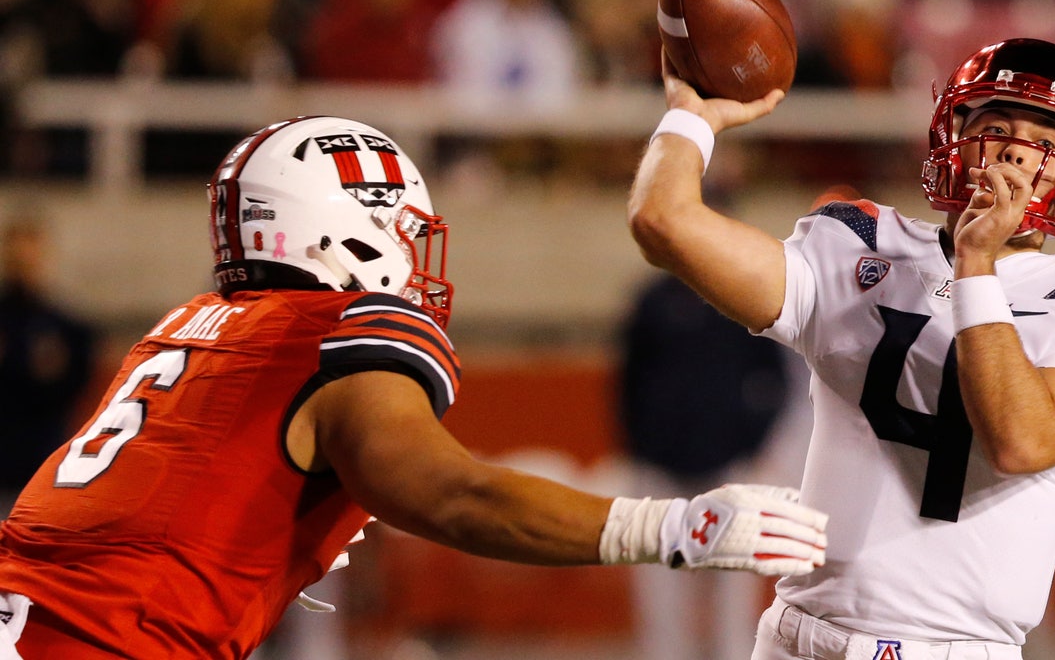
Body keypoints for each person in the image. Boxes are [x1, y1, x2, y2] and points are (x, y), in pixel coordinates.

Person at [0, 115, 828, 660]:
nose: (411, 252)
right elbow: (451, 493)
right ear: (344, 227)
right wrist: (672, 527)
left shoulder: (189, 323)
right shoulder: (334, 331)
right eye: (399, 226)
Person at [627, 38, 1055, 658]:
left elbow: (1021, 439)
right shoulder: (856, 242)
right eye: (995, 125)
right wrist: (690, 118)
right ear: (951, 138)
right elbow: (662, 222)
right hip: (792, 636)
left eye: (1047, 141)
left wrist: (977, 265)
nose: (1016, 152)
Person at [617, 259, 790, 660]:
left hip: (728, 466)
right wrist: (641, 444)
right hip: (660, 466)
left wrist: (751, 440)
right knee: (661, 598)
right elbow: (628, 382)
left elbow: (773, 378)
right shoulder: (654, 299)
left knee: (733, 600)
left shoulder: (741, 296)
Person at [0, 217, 97, 518]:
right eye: (16, 249)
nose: (23, 258)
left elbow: (75, 385)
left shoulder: (65, 328)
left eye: (30, 248)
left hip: (40, 464)